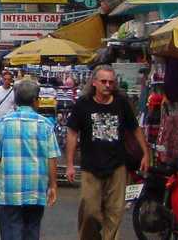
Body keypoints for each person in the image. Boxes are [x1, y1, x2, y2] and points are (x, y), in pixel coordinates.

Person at [66, 65, 150, 240]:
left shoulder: (121, 103)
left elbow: (135, 129)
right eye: (103, 81)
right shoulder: (83, 104)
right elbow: (72, 133)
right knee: (90, 210)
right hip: (91, 166)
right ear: (94, 83)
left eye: (111, 82)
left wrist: (145, 153)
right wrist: (69, 164)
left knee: (114, 212)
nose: (107, 85)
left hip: (117, 165)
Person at [0, 78, 60, 240]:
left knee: (10, 232)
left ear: (15, 100)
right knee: (32, 231)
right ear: (36, 101)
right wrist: (53, 185)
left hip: (9, 191)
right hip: (36, 191)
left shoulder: (3, 124)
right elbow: (52, 158)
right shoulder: (46, 125)